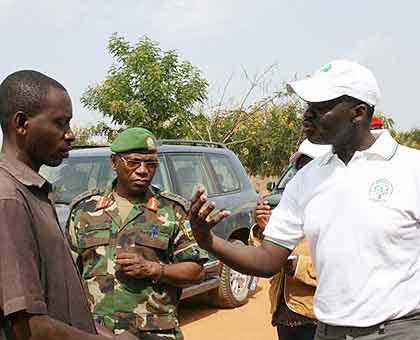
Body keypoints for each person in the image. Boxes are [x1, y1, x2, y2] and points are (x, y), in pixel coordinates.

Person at [189, 60, 420, 339]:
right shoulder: (307, 178)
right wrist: (208, 240)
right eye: (307, 106)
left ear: (358, 113)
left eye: (320, 107)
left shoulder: (411, 169)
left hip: (399, 331)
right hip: (326, 332)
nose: (307, 115)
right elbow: (267, 260)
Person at [0, 70, 135, 340]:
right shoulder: (9, 198)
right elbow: (28, 329)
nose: (70, 134)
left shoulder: (34, 191)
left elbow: (56, 306)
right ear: (22, 123)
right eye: (60, 123)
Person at [66, 127, 208, 340]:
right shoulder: (84, 211)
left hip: (154, 331)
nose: (143, 170)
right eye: (134, 162)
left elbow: (196, 272)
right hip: (96, 331)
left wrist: (153, 269)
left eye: (150, 164)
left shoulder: (172, 210)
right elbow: (66, 276)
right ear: (114, 163)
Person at [252, 140, 330, 340]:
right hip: (286, 313)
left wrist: (295, 266)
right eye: (300, 166)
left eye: (310, 165)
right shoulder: (290, 205)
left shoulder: (338, 212)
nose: (303, 171)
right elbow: (263, 257)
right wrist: (263, 230)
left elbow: (341, 269)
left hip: (317, 317)